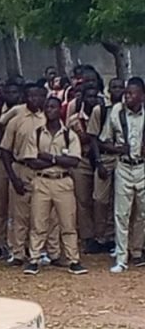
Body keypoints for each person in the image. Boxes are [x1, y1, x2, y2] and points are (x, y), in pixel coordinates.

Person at [22, 96, 87, 276]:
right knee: (38, 222)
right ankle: (34, 259)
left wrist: (49, 158)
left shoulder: (69, 135)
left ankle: (74, 260)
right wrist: (59, 161)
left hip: (63, 182)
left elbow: (74, 161)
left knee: (68, 223)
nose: (50, 110)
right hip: (41, 181)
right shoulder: (35, 134)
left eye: (54, 107)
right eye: (47, 107)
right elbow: (31, 161)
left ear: (60, 110)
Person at [1, 83, 60, 267]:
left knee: (48, 215)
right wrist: (13, 177)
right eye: (31, 96)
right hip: (22, 168)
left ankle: (51, 252)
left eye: (40, 96)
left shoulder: (49, 118)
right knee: (20, 215)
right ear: (25, 97)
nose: (36, 100)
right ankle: (18, 253)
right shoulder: (17, 120)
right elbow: (5, 150)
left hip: (44, 171)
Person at [99, 77, 145, 273]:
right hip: (124, 166)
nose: (127, 97)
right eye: (126, 93)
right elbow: (103, 141)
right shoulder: (116, 112)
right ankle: (121, 257)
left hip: (143, 167)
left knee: (142, 213)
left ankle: (136, 251)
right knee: (121, 213)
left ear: (142, 96)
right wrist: (118, 148)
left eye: (132, 93)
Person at [0, 78, 23, 260]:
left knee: (18, 207)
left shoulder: (25, 114)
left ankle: (17, 245)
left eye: (15, 92)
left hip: (21, 162)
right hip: (1, 161)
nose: (12, 96)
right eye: (9, 92)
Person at [88, 77, 125, 253]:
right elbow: (93, 138)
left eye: (120, 87)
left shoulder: (129, 111)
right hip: (106, 158)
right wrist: (98, 162)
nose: (117, 91)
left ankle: (116, 237)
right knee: (100, 199)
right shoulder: (101, 110)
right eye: (114, 88)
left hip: (125, 161)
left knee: (121, 200)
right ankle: (100, 237)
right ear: (109, 92)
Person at [67, 84, 102, 254]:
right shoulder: (74, 119)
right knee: (83, 200)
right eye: (89, 97)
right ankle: (88, 238)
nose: (92, 100)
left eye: (95, 97)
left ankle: (103, 235)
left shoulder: (105, 115)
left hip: (101, 161)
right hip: (82, 161)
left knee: (101, 200)